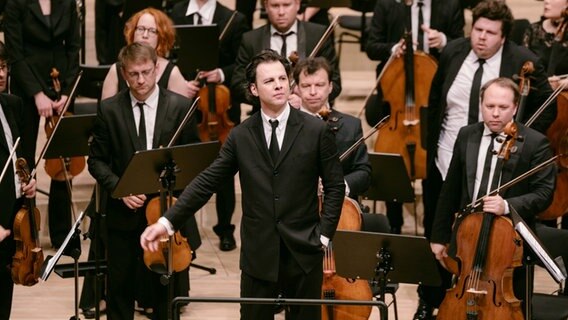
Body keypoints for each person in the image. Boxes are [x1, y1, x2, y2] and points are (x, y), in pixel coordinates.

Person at [141, 49, 345, 320]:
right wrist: (166, 223)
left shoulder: (316, 130)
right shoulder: (240, 136)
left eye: (283, 79)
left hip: (304, 250)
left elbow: (335, 186)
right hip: (259, 253)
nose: (279, 85)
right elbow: (206, 182)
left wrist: (323, 235)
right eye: (270, 81)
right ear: (253, 88)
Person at [422, 1, 556, 318]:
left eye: (490, 32)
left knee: (504, 263)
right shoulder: (454, 53)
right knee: (454, 252)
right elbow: (435, 101)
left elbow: (546, 109)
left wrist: (518, 141)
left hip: (505, 179)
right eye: (477, 30)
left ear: (503, 36)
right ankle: (436, 303)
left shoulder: (523, 61)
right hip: (452, 157)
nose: (481, 37)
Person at [88, 42, 200, 320]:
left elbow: (194, 161)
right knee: (119, 289)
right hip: (122, 215)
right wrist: (119, 189)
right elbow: (96, 161)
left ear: (157, 69)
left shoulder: (181, 106)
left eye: (146, 72)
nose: (140, 80)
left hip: (165, 215)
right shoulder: (109, 109)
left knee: (164, 290)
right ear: (124, 74)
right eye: (133, 74)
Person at [364, 0, 464, 237]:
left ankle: (433, 229)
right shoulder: (387, 5)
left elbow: (462, 47)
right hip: (396, 94)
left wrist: (444, 42)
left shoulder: (450, 6)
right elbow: (371, 46)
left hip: (433, 97)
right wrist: (392, 49)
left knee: (432, 164)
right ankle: (394, 224)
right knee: (392, 162)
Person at [169, 0, 250, 251]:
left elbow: (243, 63)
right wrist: (181, 82)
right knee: (183, 165)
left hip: (220, 106)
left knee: (224, 169)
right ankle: (182, 229)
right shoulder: (175, 13)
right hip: (185, 102)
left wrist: (221, 74)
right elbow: (169, 57)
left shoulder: (234, 19)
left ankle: (225, 229)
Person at [4, 0, 80, 250]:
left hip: (61, 85)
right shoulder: (15, 4)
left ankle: (62, 235)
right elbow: (15, 53)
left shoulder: (68, 2)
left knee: (63, 160)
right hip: (27, 89)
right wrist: (37, 94)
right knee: (24, 160)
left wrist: (67, 91)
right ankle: (25, 229)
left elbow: (74, 47)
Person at [231, 0, 341, 112]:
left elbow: (335, 83)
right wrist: (268, 98)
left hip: (310, 117)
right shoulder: (251, 39)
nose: (281, 12)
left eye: (287, 5)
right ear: (266, 7)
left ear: (297, 4)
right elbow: (237, 85)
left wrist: (305, 100)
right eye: (275, 6)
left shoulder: (319, 35)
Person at [293, 56, 371, 198]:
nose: (313, 92)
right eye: (306, 86)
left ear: (330, 87)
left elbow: (364, 172)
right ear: (297, 88)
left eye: (319, 85)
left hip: (341, 208)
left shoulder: (351, 125)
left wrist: (341, 186)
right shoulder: (285, 125)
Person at [0, 40, 38, 320]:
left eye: (2, 66)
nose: (1, 73)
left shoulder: (10, 105)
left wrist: (28, 182)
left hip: (12, 224)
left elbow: (18, 158)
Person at [101, 7, 187, 100]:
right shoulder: (116, 70)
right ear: (133, 32)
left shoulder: (172, 73)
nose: (145, 35)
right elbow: (107, 111)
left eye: (152, 31)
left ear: (162, 37)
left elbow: (181, 111)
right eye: (141, 29)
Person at [523, 0, 568, 91]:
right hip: (536, 93)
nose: (546, 1)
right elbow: (522, 68)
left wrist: (562, 84)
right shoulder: (532, 30)